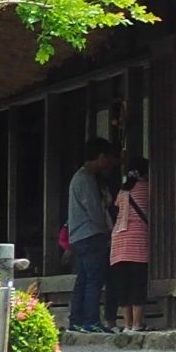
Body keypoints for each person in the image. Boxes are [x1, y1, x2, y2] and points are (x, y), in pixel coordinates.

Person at [65, 143, 115, 333]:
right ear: (100, 156)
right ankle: (91, 320)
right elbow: (93, 208)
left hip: (78, 235)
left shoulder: (78, 177)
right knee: (94, 278)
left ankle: (76, 320)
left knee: (83, 278)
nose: (107, 163)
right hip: (90, 234)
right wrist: (105, 230)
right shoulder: (85, 178)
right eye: (106, 158)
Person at [107, 159, 153, 335]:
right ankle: (138, 324)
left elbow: (117, 209)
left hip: (118, 243)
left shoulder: (123, 191)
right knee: (137, 283)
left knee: (123, 285)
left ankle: (127, 325)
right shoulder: (146, 188)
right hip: (137, 240)